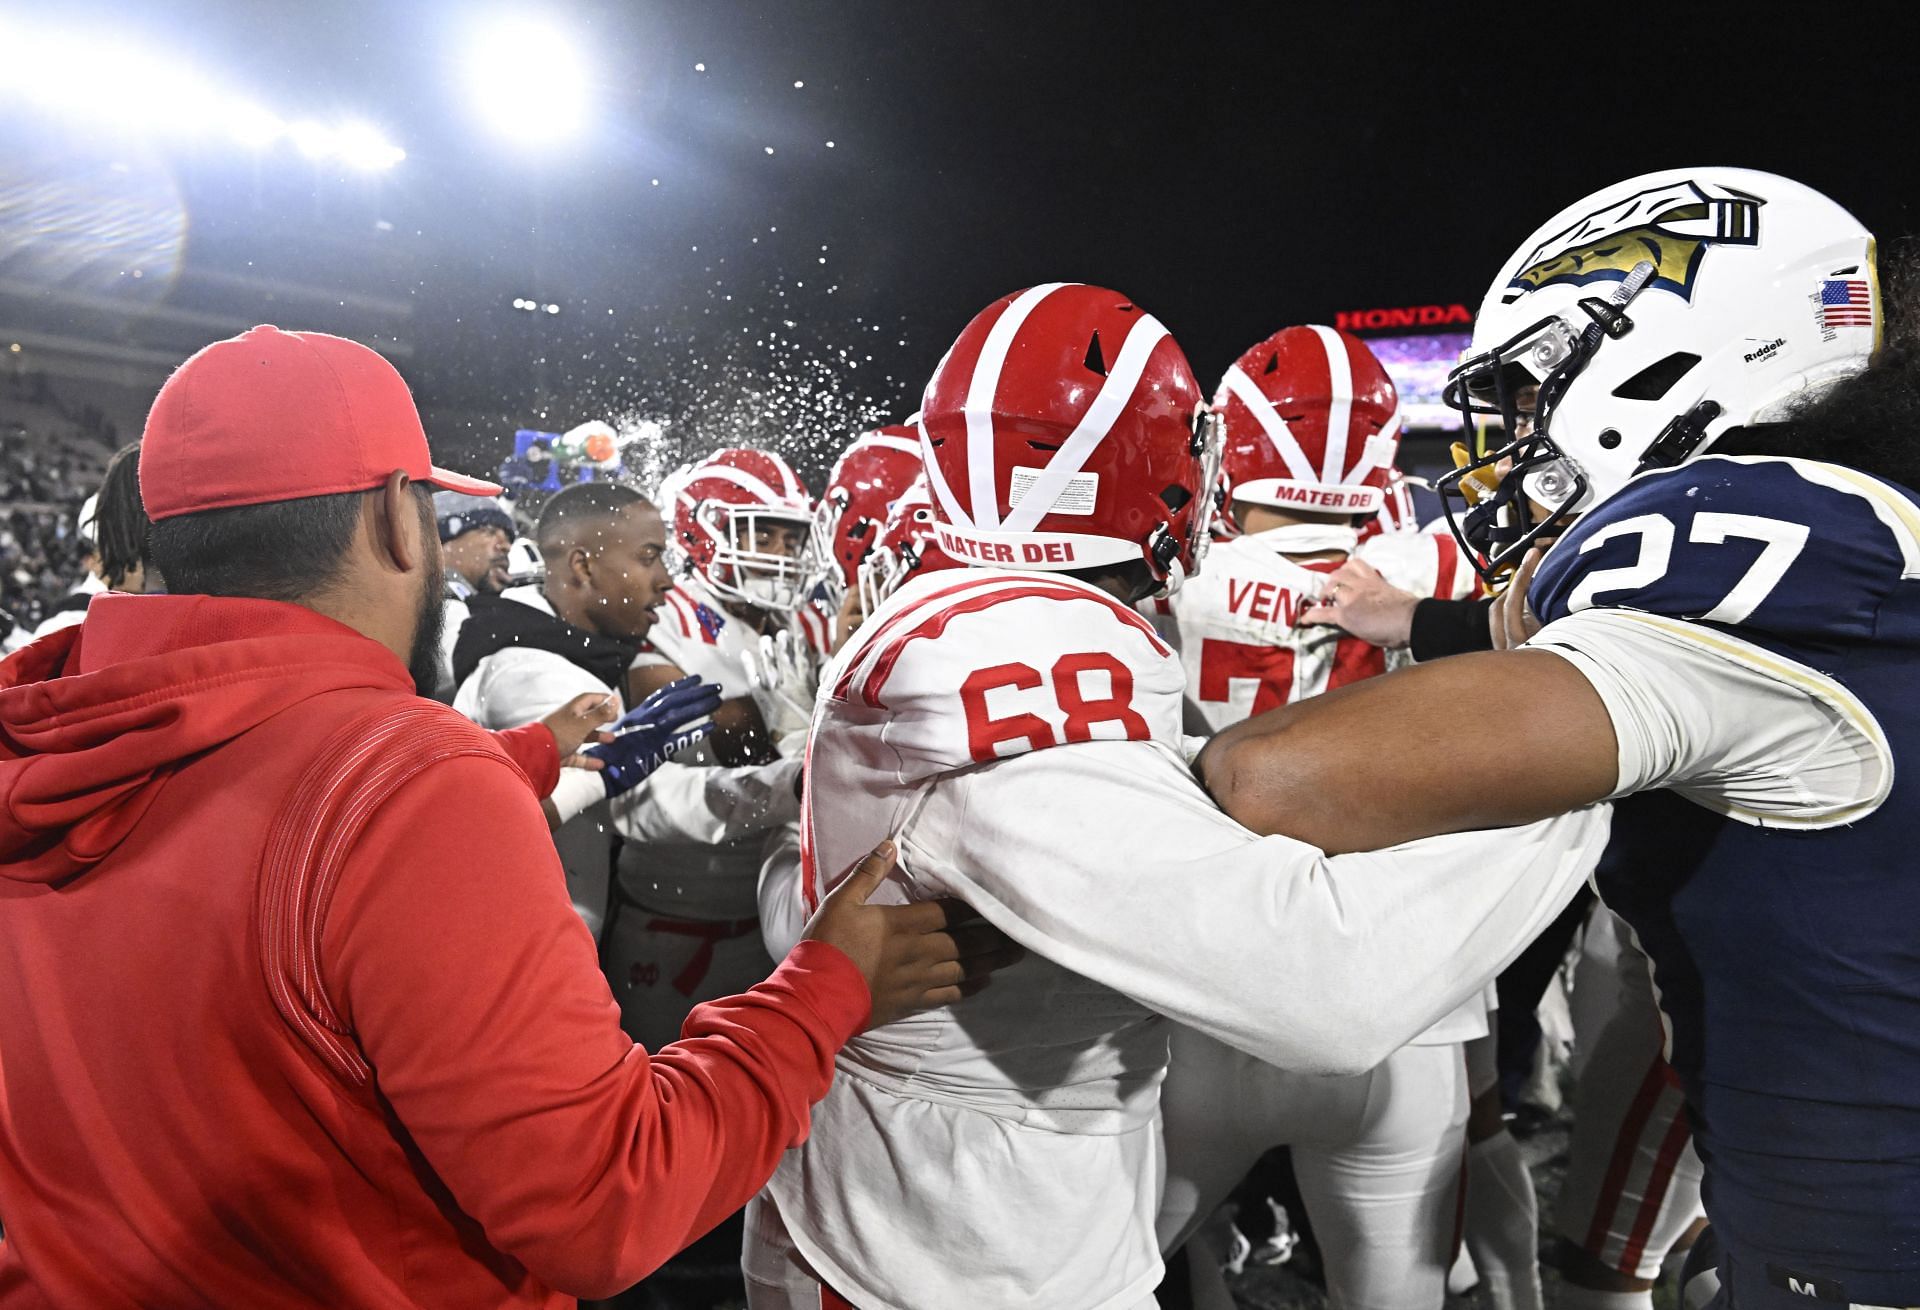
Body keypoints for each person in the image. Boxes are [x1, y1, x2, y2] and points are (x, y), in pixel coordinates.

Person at [0, 324, 1012, 1309]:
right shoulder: (407, 783)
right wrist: (826, 990)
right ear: (401, 516)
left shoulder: (44, 740)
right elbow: (607, 1199)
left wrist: (523, 754)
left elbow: (251, 814)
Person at [745, 283, 1612, 1310]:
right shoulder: (1023, 667)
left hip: (1024, 1172)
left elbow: (835, 853)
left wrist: (803, 912)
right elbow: (1322, 986)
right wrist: (1587, 777)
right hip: (949, 1236)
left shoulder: (987, 620)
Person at [1199, 168, 1911, 1307]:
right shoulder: (1855, 527)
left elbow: (1281, 775)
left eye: (1534, 389)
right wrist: (1435, 619)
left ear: (1673, 349)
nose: (1516, 435)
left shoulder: (1730, 557)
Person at [1150, 324, 1487, 1309]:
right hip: (1404, 996)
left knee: (1103, 1273)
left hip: (1206, 987)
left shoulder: (1175, 580)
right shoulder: (1439, 576)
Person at [431, 488, 515, 697]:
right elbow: (479, 688)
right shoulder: (442, 605)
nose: (505, 546)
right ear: (441, 541)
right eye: (488, 530)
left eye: (507, 537)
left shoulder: (469, 602)